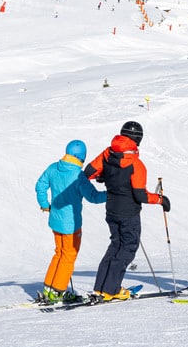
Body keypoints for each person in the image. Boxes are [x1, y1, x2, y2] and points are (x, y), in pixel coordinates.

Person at [85, 120, 168, 301]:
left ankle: (100, 288)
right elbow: (140, 195)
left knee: (115, 246)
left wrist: (102, 175)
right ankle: (111, 289)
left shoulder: (108, 154)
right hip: (129, 213)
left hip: (111, 210)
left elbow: (88, 172)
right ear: (138, 140)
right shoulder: (136, 164)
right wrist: (161, 200)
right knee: (128, 248)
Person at [33, 140, 106, 304]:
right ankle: (58, 292)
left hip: (55, 221)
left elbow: (40, 185)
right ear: (82, 157)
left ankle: (49, 289)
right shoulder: (78, 176)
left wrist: (45, 205)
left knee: (59, 253)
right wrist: (111, 195)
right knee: (68, 256)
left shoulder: (53, 168)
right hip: (71, 225)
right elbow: (93, 197)